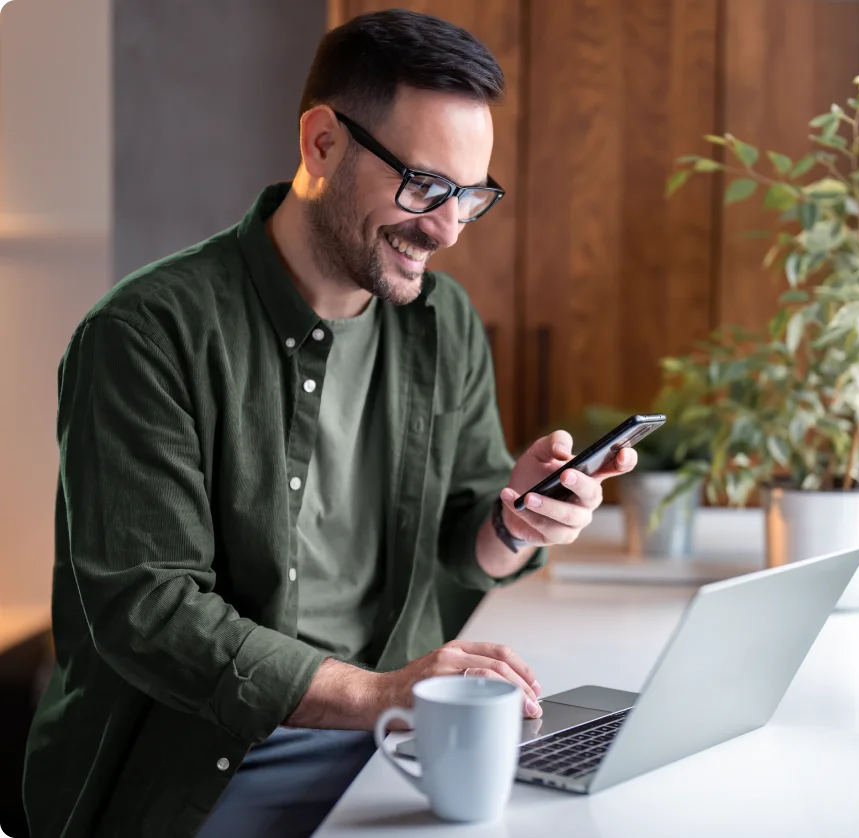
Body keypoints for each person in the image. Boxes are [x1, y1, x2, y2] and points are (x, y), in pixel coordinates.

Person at [23, 10, 636, 838]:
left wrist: (516, 520)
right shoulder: (143, 336)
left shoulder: (440, 322)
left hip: (395, 743)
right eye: (424, 187)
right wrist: (384, 693)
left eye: (470, 197)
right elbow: (152, 611)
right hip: (207, 769)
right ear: (322, 144)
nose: (448, 229)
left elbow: (465, 546)